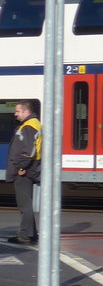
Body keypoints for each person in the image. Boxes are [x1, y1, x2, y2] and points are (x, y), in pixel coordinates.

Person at [6, 100, 42, 245]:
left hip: (25, 170)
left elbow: (29, 150)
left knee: (24, 204)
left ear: (26, 111)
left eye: (17, 111)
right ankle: (31, 233)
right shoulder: (34, 124)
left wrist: (22, 167)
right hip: (31, 168)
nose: (15, 114)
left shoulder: (28, 127)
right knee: (26, 203)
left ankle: (25, 236)